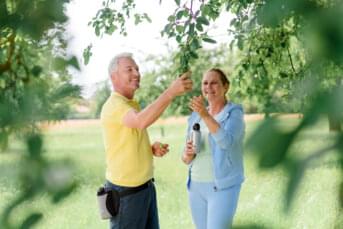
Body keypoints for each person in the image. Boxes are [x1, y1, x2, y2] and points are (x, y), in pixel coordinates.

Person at [100, 52, 192, 229]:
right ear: (114, 77)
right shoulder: (115, 105)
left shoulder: (131, 104)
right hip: (126, 194)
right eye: (129, 69)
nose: (136, 73)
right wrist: (170, 92)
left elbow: (125, 140)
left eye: (137, 69)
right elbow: (141, 121)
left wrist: (149, 148)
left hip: (145, 189)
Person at [182, 68, 245, 229]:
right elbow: (185, 156)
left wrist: (205, 115)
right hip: (195, 186)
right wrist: (187, 155)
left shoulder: (234, 114)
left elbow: (227, 143)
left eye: (214, 83)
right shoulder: (195, 116)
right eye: (205, 83)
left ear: (226, 87)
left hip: (222, 187)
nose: (208, 87)